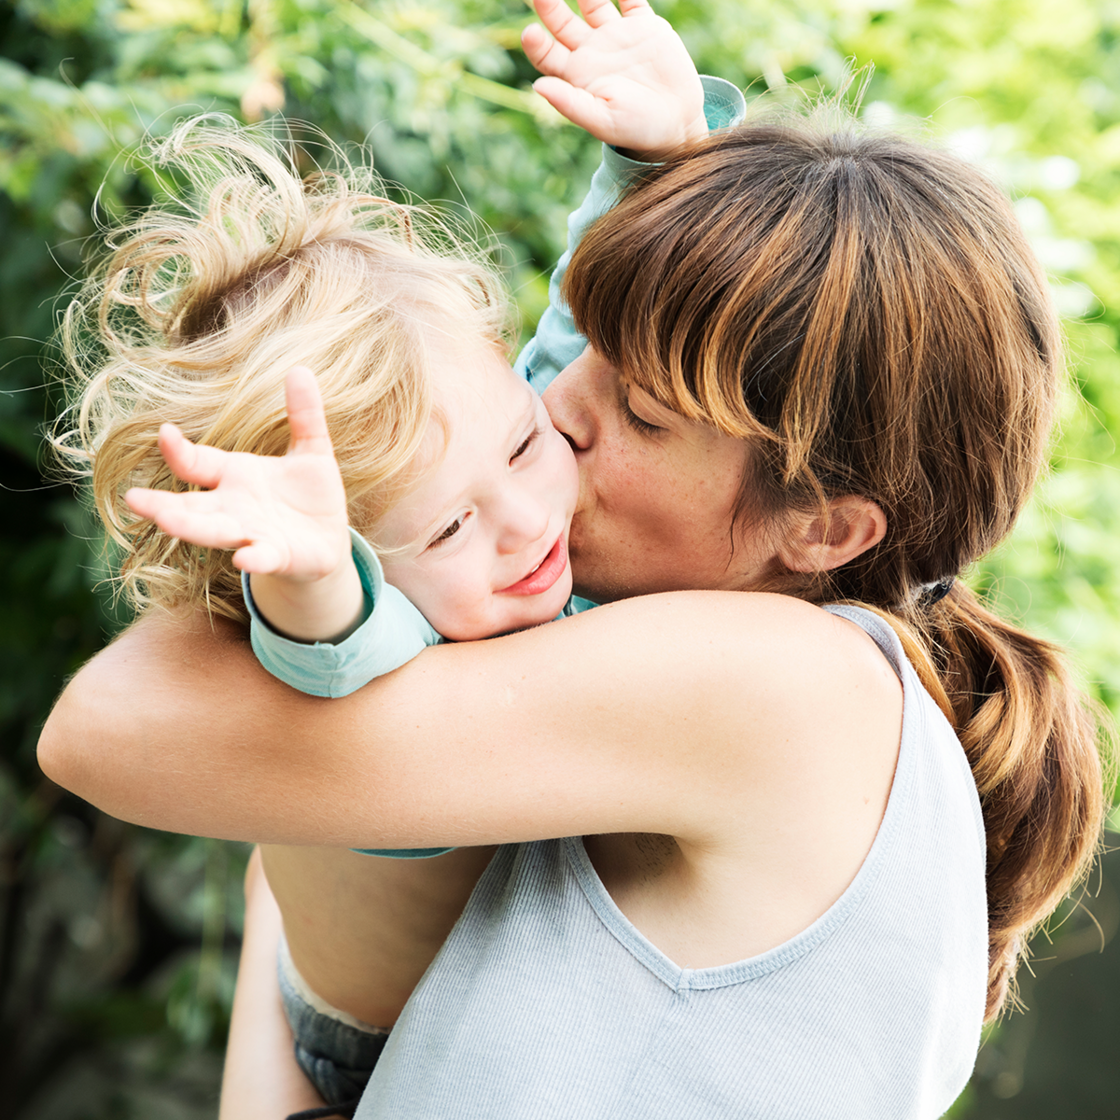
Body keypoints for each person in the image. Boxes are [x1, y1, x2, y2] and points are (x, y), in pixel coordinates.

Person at [38, 0, 1109, 1116]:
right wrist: (653, 165)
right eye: (582, 357)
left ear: (826, 529)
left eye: (642, 414)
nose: (556, 403)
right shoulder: (768, 695)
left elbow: (111, 725)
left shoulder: (785, 682)